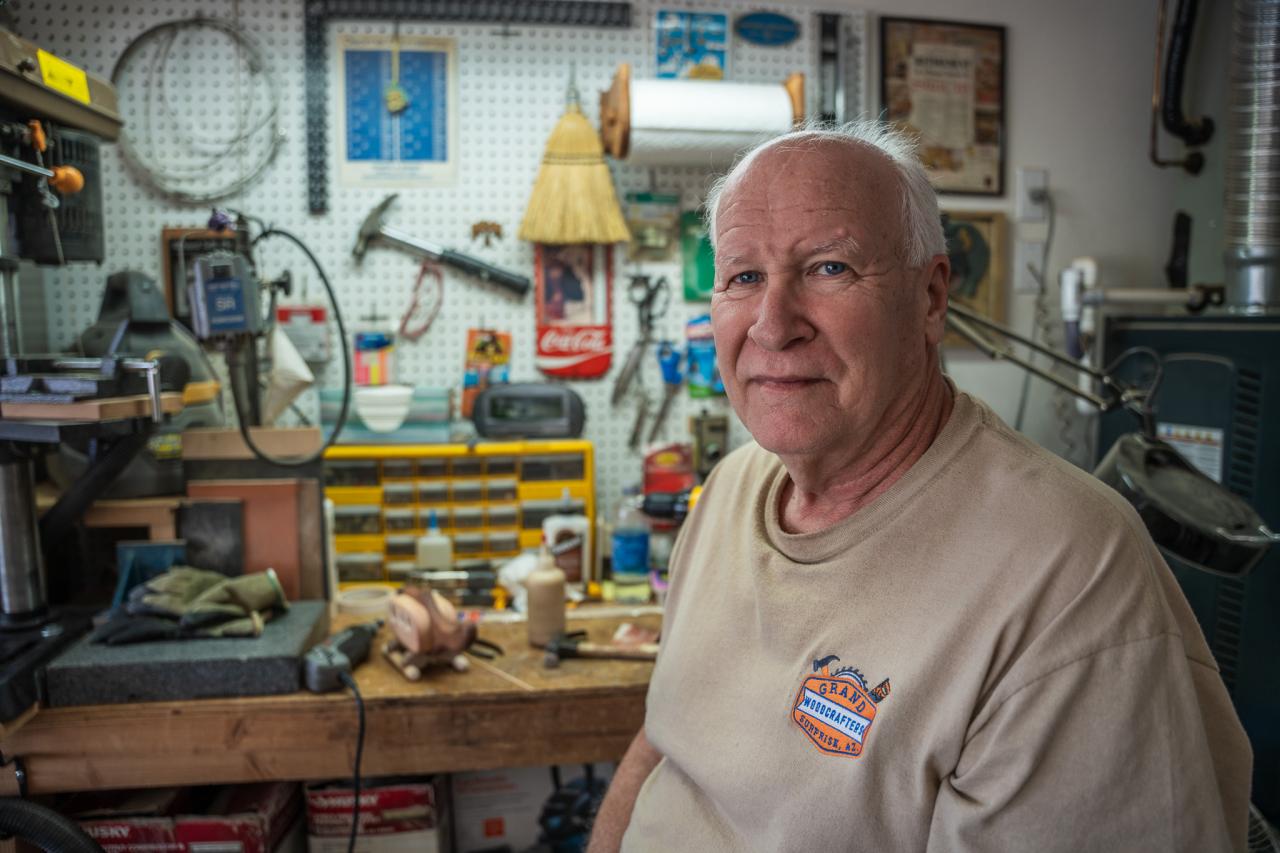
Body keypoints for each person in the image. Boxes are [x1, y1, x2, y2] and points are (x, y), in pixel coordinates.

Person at [588, 121, 1252, 852]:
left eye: (829, 268)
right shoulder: (729, 488)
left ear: (931, 298)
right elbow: (662, 745)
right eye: (744, 277)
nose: (773, 326)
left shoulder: (1070, 576)